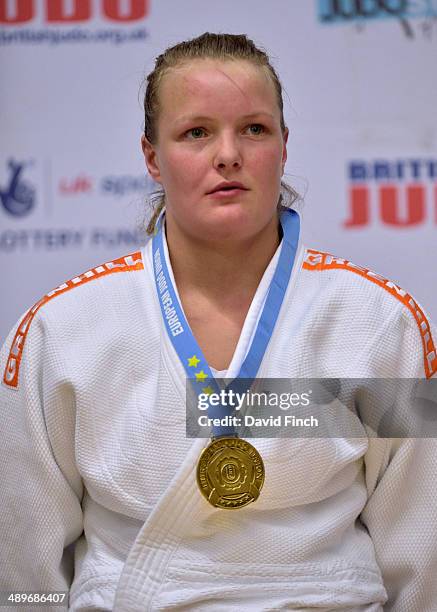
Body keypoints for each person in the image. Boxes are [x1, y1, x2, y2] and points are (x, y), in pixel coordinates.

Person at [1, 32, 436, 612]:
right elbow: (24, 571)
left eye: (254, 129)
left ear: (285, 146)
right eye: (196, 132)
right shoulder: (62, 331)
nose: (227, 154)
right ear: (153, 157)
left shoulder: (382, 326)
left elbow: (422, 551)